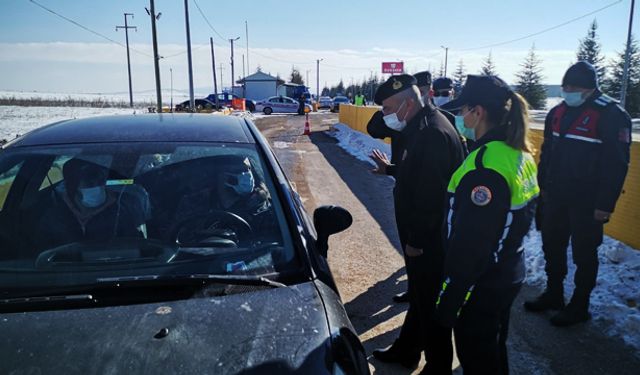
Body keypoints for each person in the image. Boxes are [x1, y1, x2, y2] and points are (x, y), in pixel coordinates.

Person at [433, 75, 539, 375]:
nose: (459, 118)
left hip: (482, 284)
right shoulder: (517, 153)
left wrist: (451, 297)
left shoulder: (485, 167)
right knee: (493, 350)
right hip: (507, 272)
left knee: (478, 358)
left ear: (477, 112)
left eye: (462, 110)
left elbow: (471, 244)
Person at [523, 61, 632, 326]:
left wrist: (605, 205)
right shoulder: (558, 112)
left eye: (573, 87)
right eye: (564, 87)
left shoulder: (611, 115)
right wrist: (542, 189)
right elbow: (547, 153)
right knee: (552, 245)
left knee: (584, 253)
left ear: (588, 88)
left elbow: (616, 165)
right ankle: (554, 293)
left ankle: (580, 305)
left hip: (588, 201)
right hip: (556, 195)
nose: (567, 91)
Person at [370, 74, 465, 373]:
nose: (384, 116)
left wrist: (417, 241)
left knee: (431, 309)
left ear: (407, 104)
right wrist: (391, 170)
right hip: (424, 235)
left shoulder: (431, 132)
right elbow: (420, 173)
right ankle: (407, 351)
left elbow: (432, 195)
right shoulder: (420, 126)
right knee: (422, 300)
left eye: (387, 108)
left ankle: (437, 367)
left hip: (429, 239)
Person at [36, 158, 147, 250]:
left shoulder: (121, 212)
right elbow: (42, 254)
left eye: (100, 181)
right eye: (89, 182)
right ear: (72, 187)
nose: (96, 186)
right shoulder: (54, 218)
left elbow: (137, 248)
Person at [366, 110, 409, 303]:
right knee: (409, 242)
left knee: (420, 247)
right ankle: (416, 286)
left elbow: (422, 169)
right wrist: (387, 111)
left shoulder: (435, 125)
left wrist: (390, 169)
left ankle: (421, 291)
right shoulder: (403, 121)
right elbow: (374, 130)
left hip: (427, 198)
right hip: (403, 186)